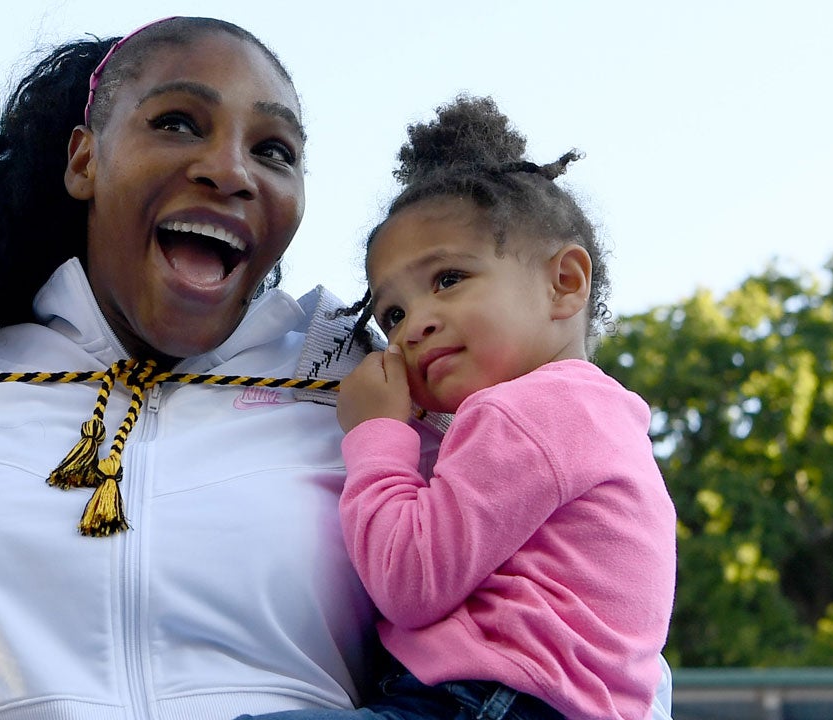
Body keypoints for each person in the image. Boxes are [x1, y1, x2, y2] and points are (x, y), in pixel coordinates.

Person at [0, 18, 675, 720]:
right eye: (177, 122)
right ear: (85, 160)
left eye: (274, 151)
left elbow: (581, 652)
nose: (228, 167)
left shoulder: (377, 402)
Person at [257, 96, 676, 720]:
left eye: (449, 279)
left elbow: (409, 582)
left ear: (564, 283)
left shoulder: (526, 415)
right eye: (391, 315)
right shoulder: (595, 414)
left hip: (494, 703)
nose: (414, 326)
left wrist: (375, 434)